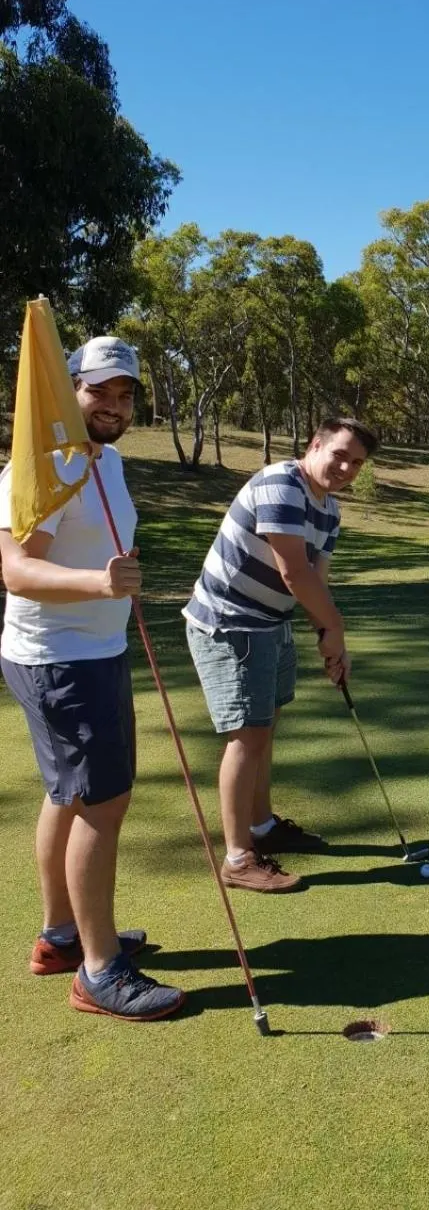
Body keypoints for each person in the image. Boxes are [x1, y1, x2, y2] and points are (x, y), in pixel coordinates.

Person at [0, 336, 186, 1020]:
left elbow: (108, 545)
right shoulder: (43, 467)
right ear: (69, 390)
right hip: (59, 658)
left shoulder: (105, 461)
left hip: (92, 650)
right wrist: (97, 581)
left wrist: (116, 575)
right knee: (102, 806)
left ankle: (61, 937)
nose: (112, 404)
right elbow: (15, 569)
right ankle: (100, 972)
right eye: (98, 390)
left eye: (125, 392)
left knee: (67, 796)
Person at [183, 417, 376, 893]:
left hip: (271, 622)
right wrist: (335, 626)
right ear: (315, 445)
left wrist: (330, 640)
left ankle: (263, 827)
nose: (347, 468)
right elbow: (293, 572)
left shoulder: (329, 510)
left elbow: (316, 580)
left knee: (265, 727)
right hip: (229, 622)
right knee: (246, 737)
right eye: (340, 455)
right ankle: (237, 857)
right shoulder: (280, 485)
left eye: (357, 463)